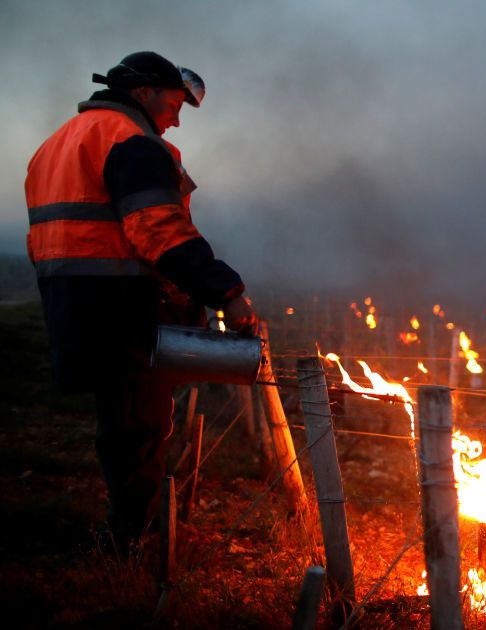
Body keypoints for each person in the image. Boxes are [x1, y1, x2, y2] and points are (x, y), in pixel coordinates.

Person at [24, 51, 256, 549]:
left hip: (73, 301)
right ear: (144, 92)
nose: (175, 119)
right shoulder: (131, 142)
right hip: (123, 302)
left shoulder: (57, 144)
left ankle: (132, 527)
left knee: (120, 419)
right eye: (174, 104)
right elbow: (159, 231)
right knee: (139, 425)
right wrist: (226, 292)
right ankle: (135, 541)